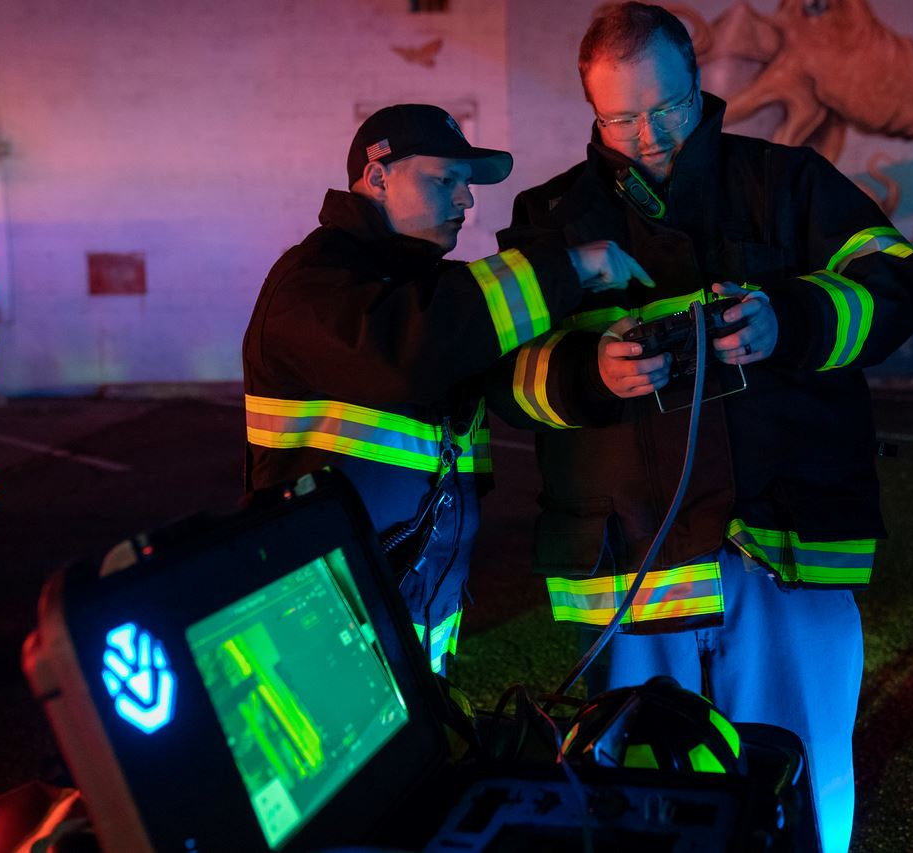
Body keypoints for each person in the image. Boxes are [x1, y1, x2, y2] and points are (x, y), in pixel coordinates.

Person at [487, 5, 913, 850]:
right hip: (636, 550)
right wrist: (589, 370)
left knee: (797, 768)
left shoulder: (787, 182)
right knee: (639, 791)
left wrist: (787, 320)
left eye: (667, 108)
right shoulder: (552, 218)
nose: (647, 135)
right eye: (620, 117)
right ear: (592, 109)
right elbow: (506, 373)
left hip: (777, 538)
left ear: (698, 84)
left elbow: (894, 280)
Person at [242, 104, 651, 676]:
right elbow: (408, 353)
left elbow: (488, 352)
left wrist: (602, 361)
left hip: (413, 623)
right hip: (322, 624)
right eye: (446, 180)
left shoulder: (429, 287)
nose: (466, 201)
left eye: (466, 184)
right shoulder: (311, 281)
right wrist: (565, 269)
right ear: (377, 175)